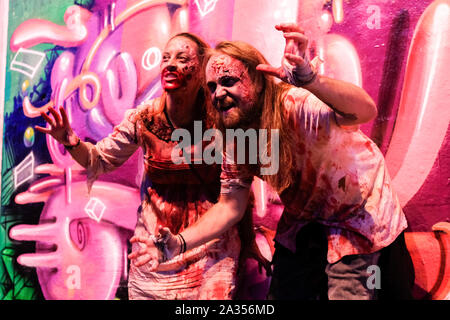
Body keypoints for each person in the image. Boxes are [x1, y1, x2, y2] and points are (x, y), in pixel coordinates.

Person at [130, 23, 414, 300]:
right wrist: (179, 243)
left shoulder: (295, 105)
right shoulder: (233, 137)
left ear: (257, 80)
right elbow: (230, 206)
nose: (217, 94)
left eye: (228, 81)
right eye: (212, 87)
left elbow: (364, 111)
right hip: (305, 218)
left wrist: (312, 81)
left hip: (359, 216)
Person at [35, 32, 267, 300]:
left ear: (202, 69)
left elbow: (236, 199)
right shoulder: (144, 119)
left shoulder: (224, 123)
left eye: (182, 59)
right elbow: (97, 160)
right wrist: (71, 140)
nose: (170, 65)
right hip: (152, 258)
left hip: (210, 257)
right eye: (166, 58)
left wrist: (248, 241)